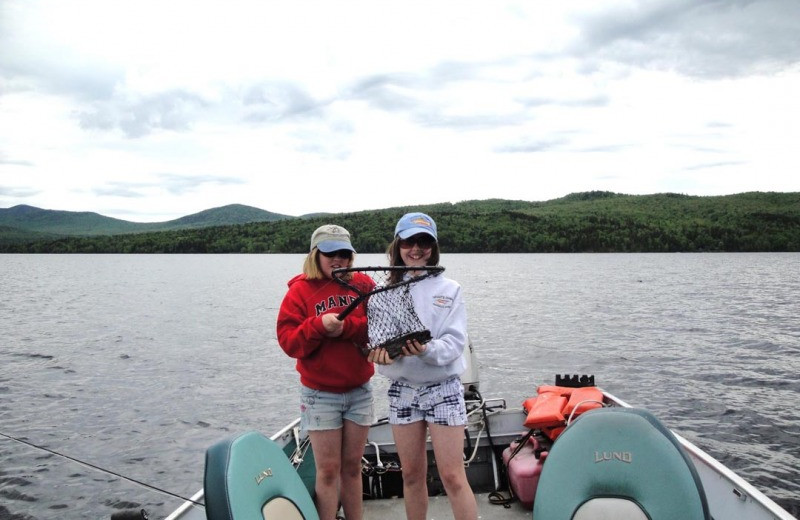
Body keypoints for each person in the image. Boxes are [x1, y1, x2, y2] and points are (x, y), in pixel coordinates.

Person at [372, 212, 477, 520]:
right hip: (402, 391)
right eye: (408, 242)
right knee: (411, 476)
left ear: (433, 247)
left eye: (424, 242)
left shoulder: (450, 289)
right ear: (397, 245)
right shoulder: (381, 294)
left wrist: (425, 350)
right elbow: (383, 352)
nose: (415, 249)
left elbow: (455, 345)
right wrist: (382, 357)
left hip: (443, 390)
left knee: (454, 477)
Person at [277, 224, 379, 520]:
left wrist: (346, 327)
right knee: (328, 470)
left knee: (352, 467)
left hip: (360, 392)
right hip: (319, 395)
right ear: (315, 254)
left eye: (345, 254)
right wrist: (318, 327)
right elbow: (289, 342)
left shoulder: (363, 285)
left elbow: (378, 328)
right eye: (331, 253)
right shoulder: (299, 291)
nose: (339, 260)